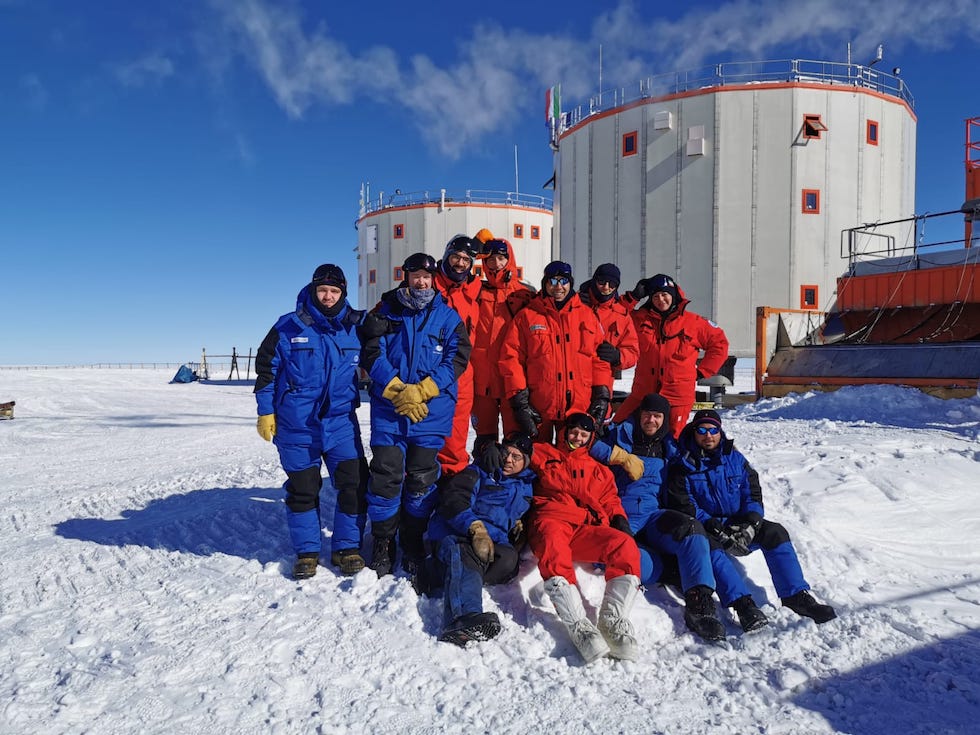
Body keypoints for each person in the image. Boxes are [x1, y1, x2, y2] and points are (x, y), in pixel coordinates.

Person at [667, 410, 837, 628]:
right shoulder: (683, 463)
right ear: (694, 432)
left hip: (738, 522)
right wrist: (713, 525)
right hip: (707, 525)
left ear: (720, 431)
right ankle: (743, 604)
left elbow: (752, 491)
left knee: (775, 532)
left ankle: (796, 595)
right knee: (711, 548)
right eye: (702, 430)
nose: (708, 435)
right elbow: (684, 503)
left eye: (713, 430)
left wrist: (751, 521)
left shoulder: (734, 458)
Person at [359, 252, 471, 577]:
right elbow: (371, 352)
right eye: (415, 275)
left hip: (429, 413)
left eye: (426, 276)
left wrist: (422, 390)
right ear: (405, 276)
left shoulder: (449, 319)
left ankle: (411, 540)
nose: (421, 281)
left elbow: (457, 360)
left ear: (434, 279)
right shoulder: (385, 313)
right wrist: (396, 389)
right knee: (385, 478)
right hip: (390, 412)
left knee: (421, 480)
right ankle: (383, 542)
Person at [254, 264, 369, 580]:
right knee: (304, 489)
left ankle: (347, 548)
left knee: (355, 484)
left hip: (340, 424)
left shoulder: (356, 326)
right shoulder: (288, 327)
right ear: (314, 290)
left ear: (343, 293)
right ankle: (307, 553)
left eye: (335, 291)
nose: (329, 297)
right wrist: (266, 411)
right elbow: (266, 370)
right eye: (323, 291)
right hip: (297, 427)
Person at [590, 393, 727, 641]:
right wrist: (620, 457)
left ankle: (700, 602)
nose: (651, 420)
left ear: (664, 420)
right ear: (639, 415)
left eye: (657, 416)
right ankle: (667, 570)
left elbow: (697, 455)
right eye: (647, 414)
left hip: (653, 515)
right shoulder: (620, 434)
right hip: (620, 513)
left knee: (691, 530)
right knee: (616, 556)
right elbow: (589, 443)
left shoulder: (669, 445)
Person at [529, 412, 642, 662]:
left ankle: (613, 621)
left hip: (584, 527)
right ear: (564, 431)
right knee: (553, 549)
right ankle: (579, 626)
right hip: (552, 520)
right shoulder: (544, 453)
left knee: (625, 546)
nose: (577, 438)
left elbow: (610, 500)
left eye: (583, 434)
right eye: (573, 432)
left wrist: (619, 518)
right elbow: (516, 456)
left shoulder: (599, 471)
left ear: (591, 438)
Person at [425, 433, 536, 646]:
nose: (509, 460)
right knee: (465, 553)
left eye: (516, 457)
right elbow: (454, 499)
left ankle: (434, 575)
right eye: (507, 453)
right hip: (457, 533)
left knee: (508, 560)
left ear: (526, 462)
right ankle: (462, 618)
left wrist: (521, 524)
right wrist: (475, 529)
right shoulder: (480, 471)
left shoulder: (527, 488)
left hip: (493, 543)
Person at [498, 261, 612, 443]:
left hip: (578, 405)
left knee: (573, 460)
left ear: (570, 283)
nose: (558, 287)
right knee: (536, 459)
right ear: (545, 283)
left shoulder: (587, 315)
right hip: (538, 406)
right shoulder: (528, 316)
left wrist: (602, 395)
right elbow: (512, 358)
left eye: (563, 281)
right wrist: (519, 400)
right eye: (553, 281)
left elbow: (598, 359)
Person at [617, 274, 729, 438]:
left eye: (664, 294)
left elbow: (720, 343)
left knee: (672, 440)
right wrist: (632, 297)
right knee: (618, 427)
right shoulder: (638, 320)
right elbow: (614, 314)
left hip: (677, 396)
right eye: (655, 296)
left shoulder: (694, 322)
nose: (660, 299)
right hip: (643, 394)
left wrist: (703, 371)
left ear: (674, 295)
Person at [470, 231, 534, 452]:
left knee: (515, 438)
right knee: (484, 440)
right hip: (482, 381)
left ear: (510, 259)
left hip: (513, 382)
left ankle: (514, 483)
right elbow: (449, 278)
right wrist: (476, 245)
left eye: (501, 258)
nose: (496, 264)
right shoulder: (476, 290)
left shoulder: (525, 295)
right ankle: (485, 481)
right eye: (490, 259)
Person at [433, 235, 484, 476]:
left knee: (455, 438)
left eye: (466, 259)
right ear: (445, 256)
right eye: (456, 257)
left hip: (462, 375)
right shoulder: (428, 285)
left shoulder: (473, 293)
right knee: (423, 438)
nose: (460, 263)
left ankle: (451, 487)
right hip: (429, 372)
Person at [579, 263, 639, 402]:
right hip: (573, 380)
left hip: (602, 385)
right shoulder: (575, 304)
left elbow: (633, 351)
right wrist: (572, 301)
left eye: (612, 284)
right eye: (602, 282)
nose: (606, 287)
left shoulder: (621, 315)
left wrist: (618, 356)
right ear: (594, 281)